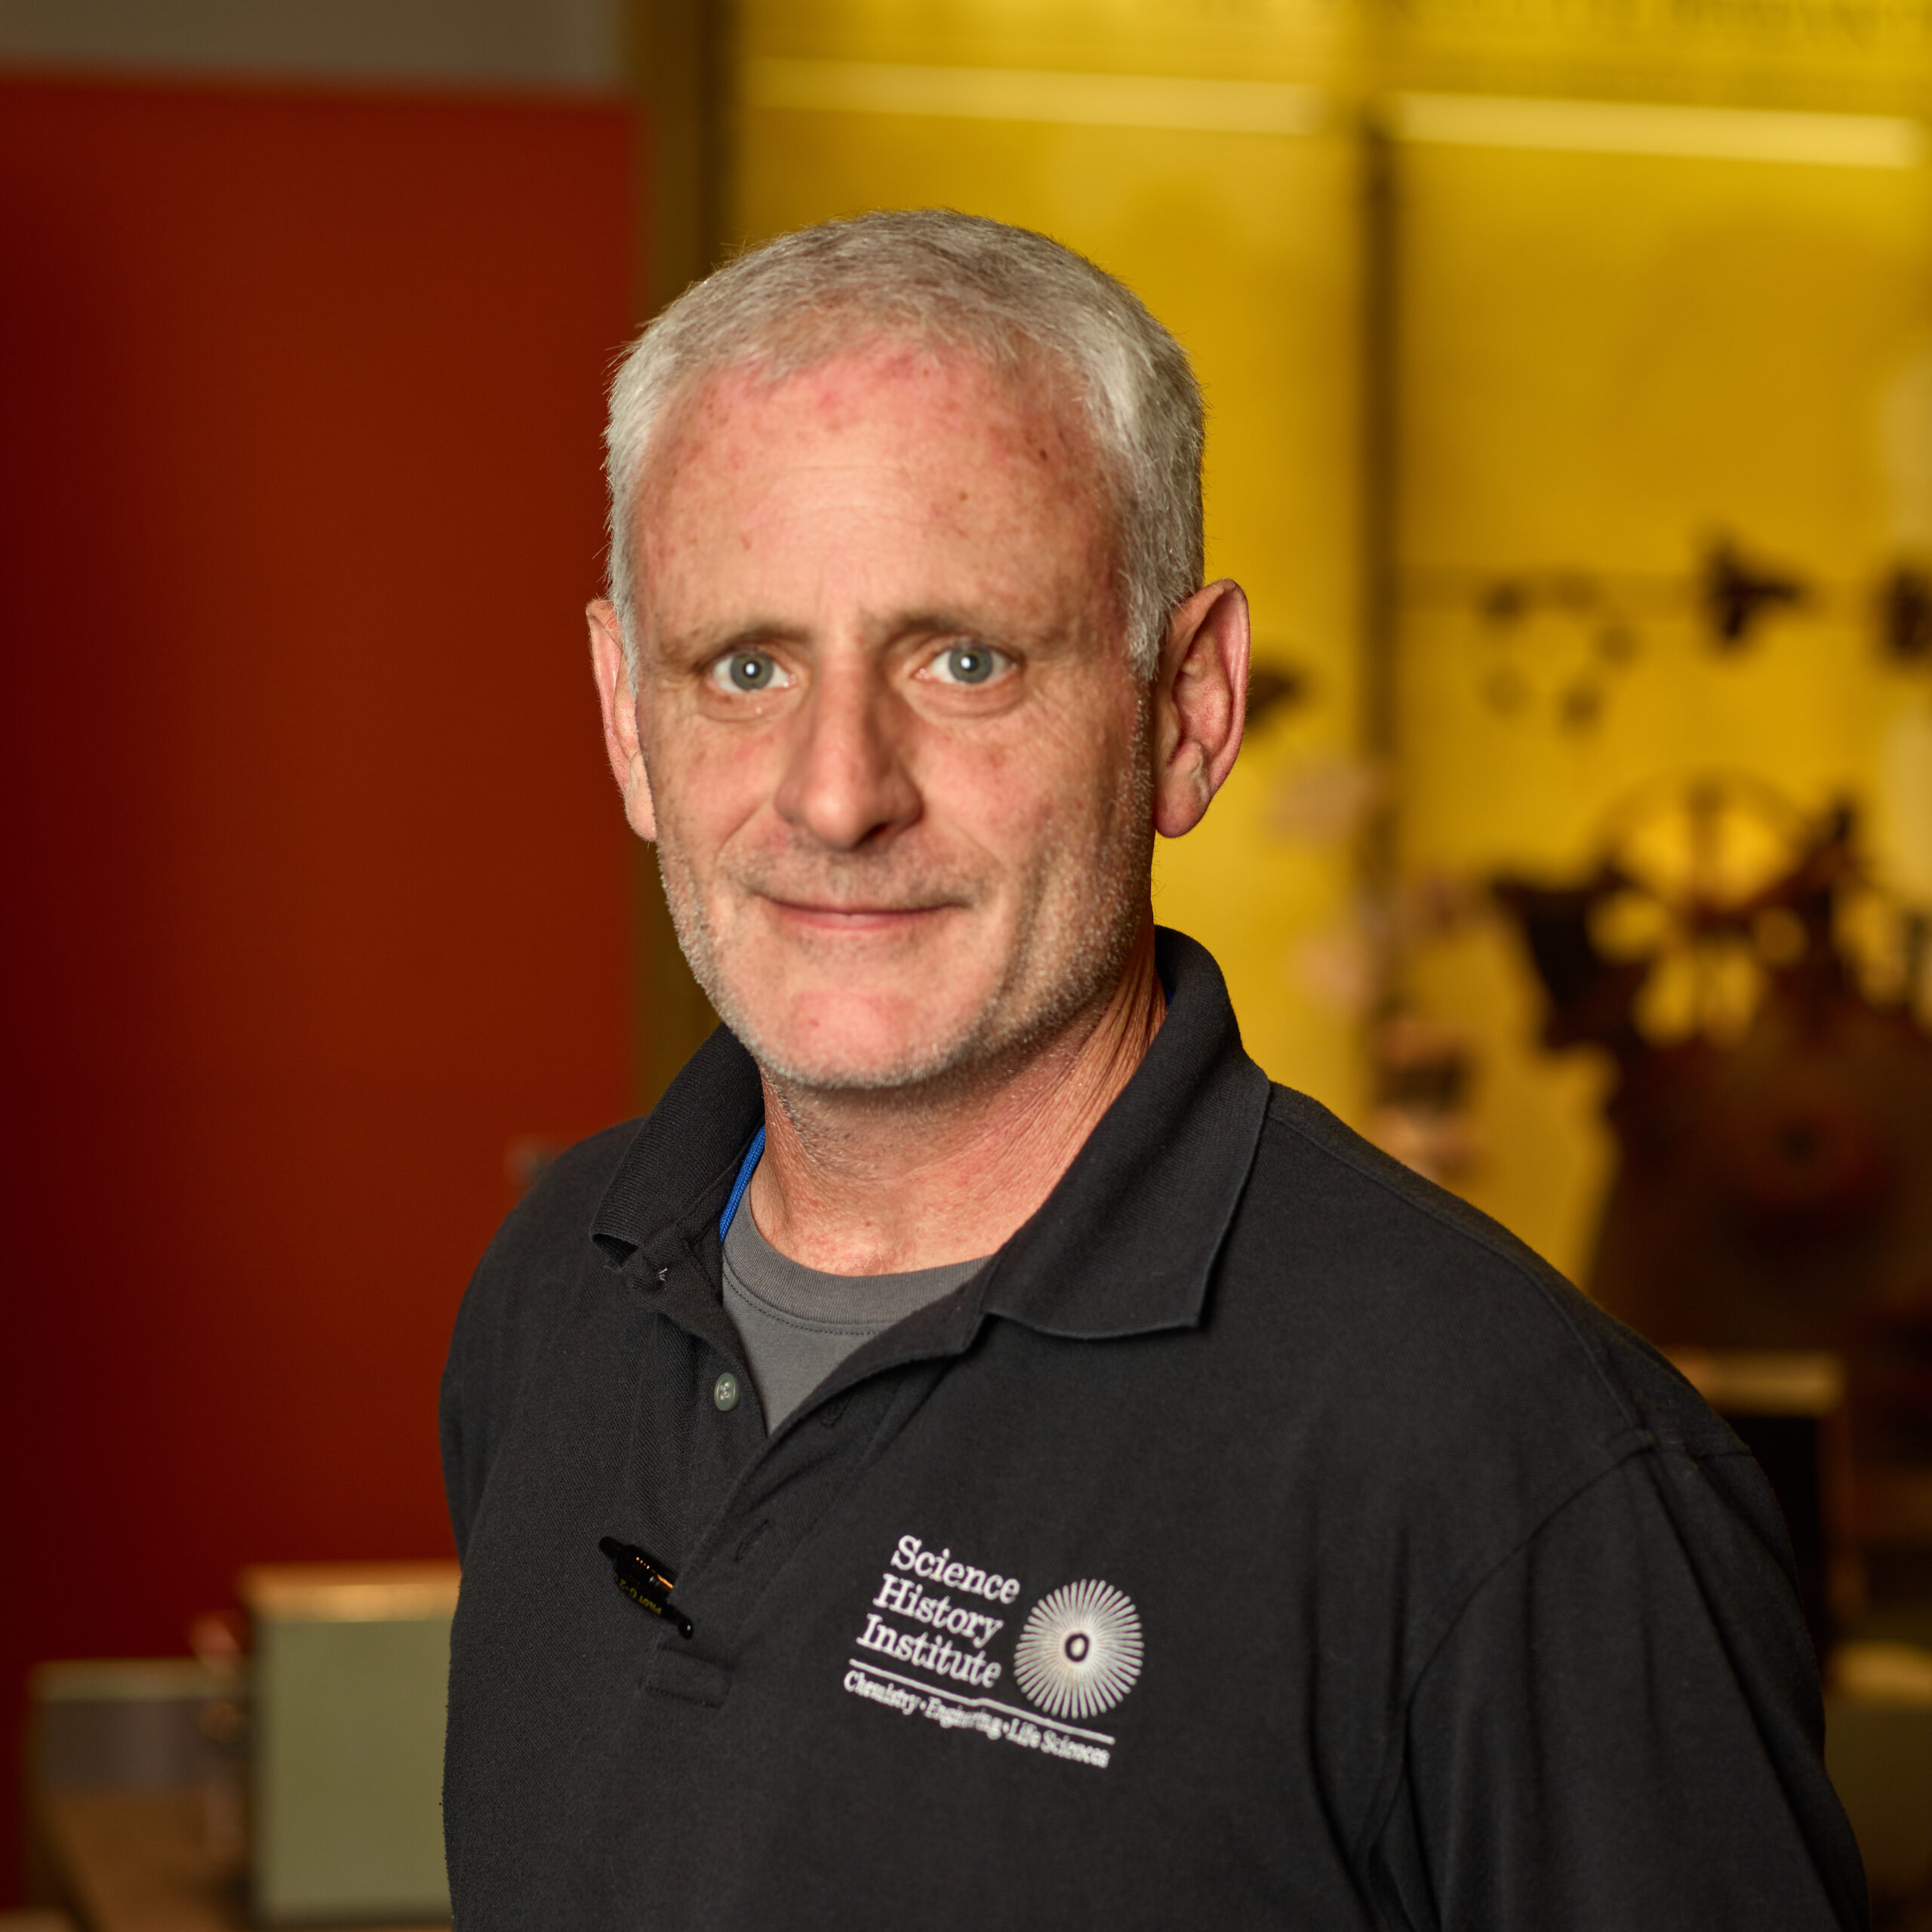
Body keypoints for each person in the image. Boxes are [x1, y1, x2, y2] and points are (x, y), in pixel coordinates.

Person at [438, 210, 1866, 1929]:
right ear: (622, 717)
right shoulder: (558, 1289)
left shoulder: (1510, 1476)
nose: (834, 793)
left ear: (1185, 708)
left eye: (961, 660)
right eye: (744, 665)